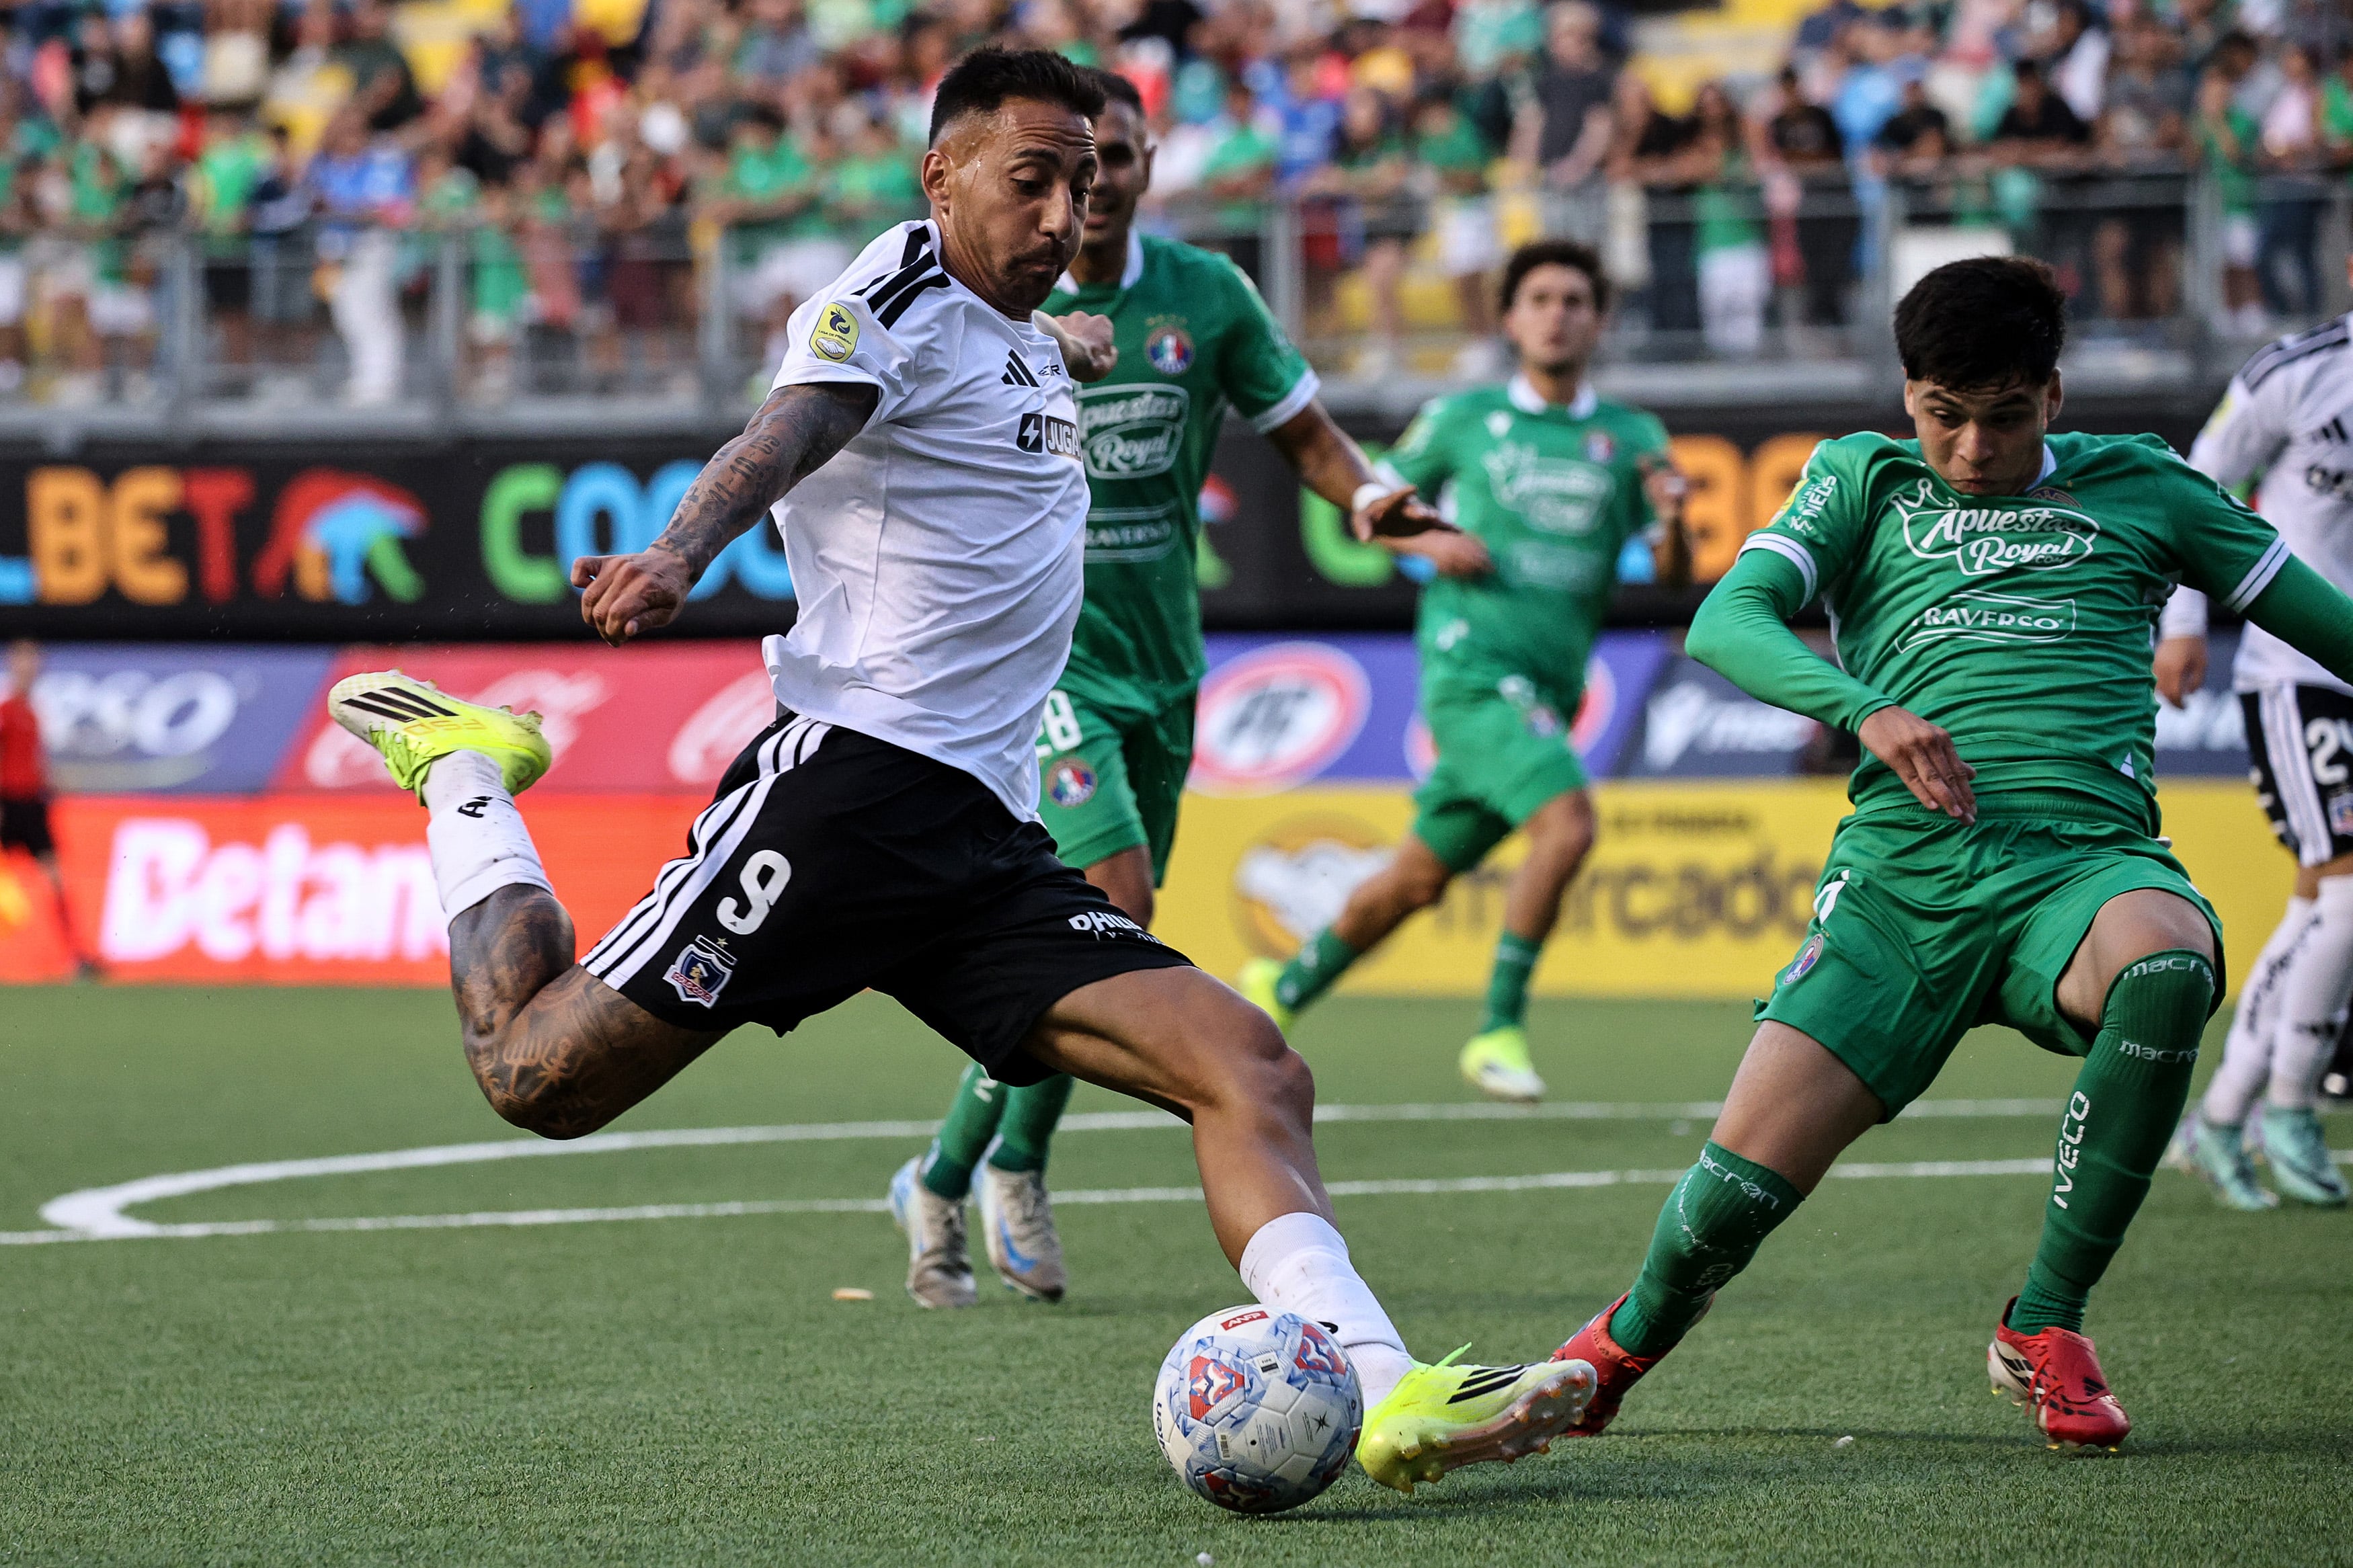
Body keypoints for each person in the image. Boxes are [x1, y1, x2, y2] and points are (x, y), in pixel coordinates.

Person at [323, 48, 1593, 1495]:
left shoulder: (1021, 325)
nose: (1064, 213)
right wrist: (680, 551)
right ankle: (466, 774)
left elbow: (1014, 368)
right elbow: (787, 430)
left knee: (1253, 1066)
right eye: (1031, 179)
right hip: (847, 800)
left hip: (983, 839)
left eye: (1084, 181)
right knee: (533, 1075)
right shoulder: (898, 292)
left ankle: (1383, 1386)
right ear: (940, 177)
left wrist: (1069, 345)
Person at [1548, 256, 2353, 1451]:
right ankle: (1615, 1351)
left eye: (2006, 416)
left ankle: (2047, 1321)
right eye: (1944, 414)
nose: (1973, 447)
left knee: (2169, 959)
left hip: (2083, 868)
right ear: (1908, 394)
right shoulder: (1861, 479)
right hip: (1899, 887)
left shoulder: (2150, 487)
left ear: (2054, 396)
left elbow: (2332, 626)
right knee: (1727, 1206)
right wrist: (1863, 707)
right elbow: (1726, 619)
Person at [889, 69, 1445, 1313]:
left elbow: (1302, 429)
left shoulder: (1208, 296)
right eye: (1056, 172)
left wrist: (1367, 494)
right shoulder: (979, 295)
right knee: (1114, 901)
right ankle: (1010, 1167)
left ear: (1137, 173)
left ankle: (950, 1170)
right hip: (1044, 658)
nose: (1086, 193)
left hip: (1164, 661)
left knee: (1105, 945)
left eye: (1112, 164)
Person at [1238, 239, 1689, 1102]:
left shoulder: (1632, 436)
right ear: (1510, 319)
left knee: (1414, 880)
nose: (1556, 316)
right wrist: (1431, 543)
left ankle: (1280, 986)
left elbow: (1671, 579)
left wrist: (1670, 522)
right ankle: (1497, 1029)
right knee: (1567, 824)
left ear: (1598, 320)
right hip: (1469, 673)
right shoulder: (1463, 417)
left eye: (1574, 301)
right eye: (1539, 300)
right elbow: (1363, 510)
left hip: (1552, 688)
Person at [2157, 266, 2353, 1211]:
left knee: (2321, 899)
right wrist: (2183, 621)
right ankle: (2290, 1106)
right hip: (2297, 669)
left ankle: (2224, 1113)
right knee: (2347, 889)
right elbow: (2198, 481)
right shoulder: (2299, 370)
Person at [1, 641, 95, 977]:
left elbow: (29, 760)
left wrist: (49, 783)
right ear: (13, 665)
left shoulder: (32, 710)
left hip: (32, 806)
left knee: (56, 881)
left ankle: (75, 957)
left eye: (34, 660)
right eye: (23, 660)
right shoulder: (7, 710)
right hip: (7, 804)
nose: (29, 666)